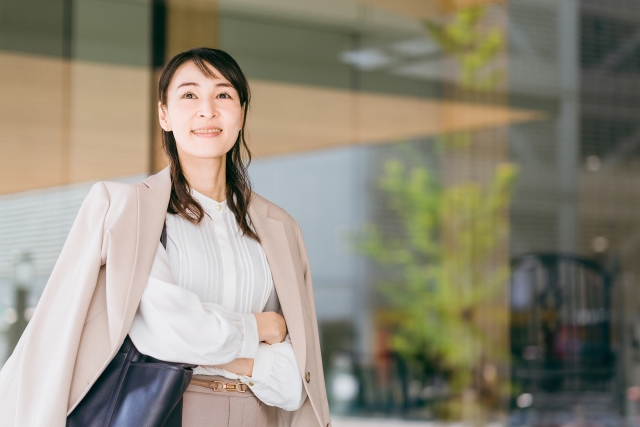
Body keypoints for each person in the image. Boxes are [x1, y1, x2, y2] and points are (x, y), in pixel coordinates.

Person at [0, 47, 330, 427]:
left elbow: (294, 380)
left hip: (259, 415)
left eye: (223, 94)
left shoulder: (279, 227)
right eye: (189, 95)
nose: (207, 109)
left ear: (241, 112)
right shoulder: (129, 212)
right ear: (164, 114)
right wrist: (260, 329)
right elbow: (166, 331)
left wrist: (209, 345)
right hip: (164, 411)